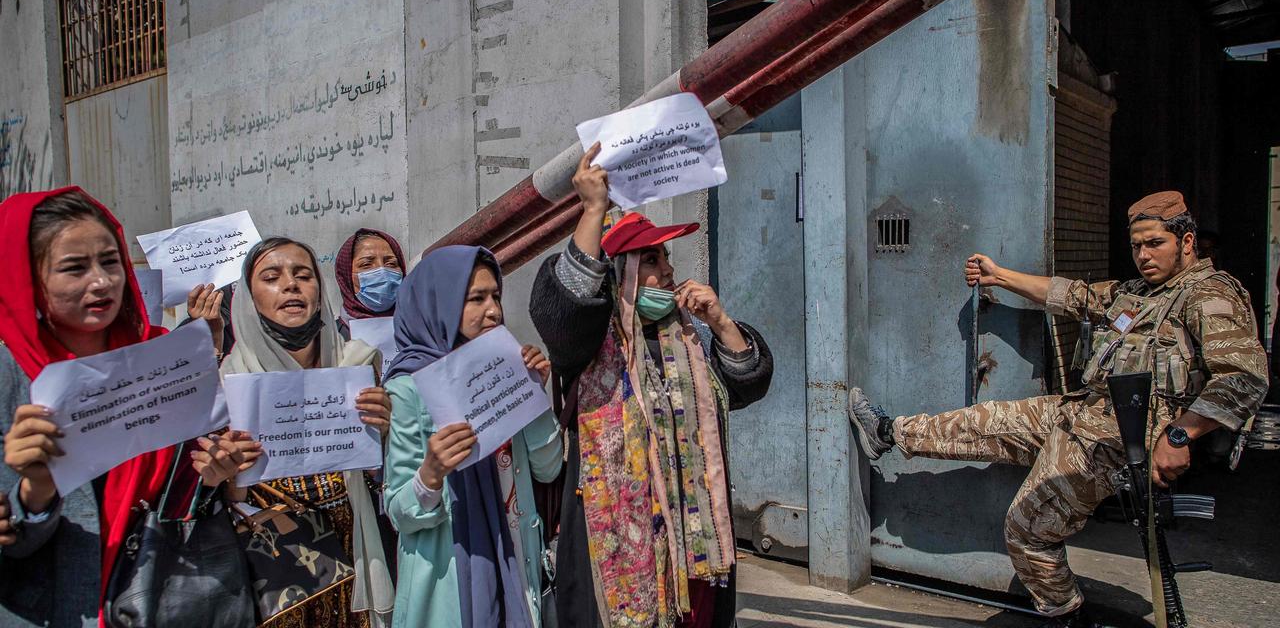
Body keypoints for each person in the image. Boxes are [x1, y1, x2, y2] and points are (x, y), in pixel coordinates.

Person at [846, 190, 1268, 628]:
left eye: (1154, 244)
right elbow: (1074, 296)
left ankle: (1067, 614)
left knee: (1026, 529)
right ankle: (887, 433)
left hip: (1116, 442)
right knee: (983, 422)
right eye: (1137, 245)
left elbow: (1244, 379)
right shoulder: (1138, 293)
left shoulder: (1209, 295)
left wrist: (1181, 435)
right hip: (1082, 413)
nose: (1143, 255)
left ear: (1186, 242)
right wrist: (998, 276)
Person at [529, 144, 774, 628]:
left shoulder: (686, 338)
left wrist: (722, 323)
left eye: (666, 258)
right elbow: (563, 311)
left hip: (694, 553)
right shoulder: (591, 347)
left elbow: (746, 386)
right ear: (619, 276)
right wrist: (594, 210)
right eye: (651, 260)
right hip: (615, 548)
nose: (667, 271)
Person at [0, 187, 203, 626]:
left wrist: (219, 469)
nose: (102, 281)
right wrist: (34, 491)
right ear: (28, 278)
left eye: (110, 262)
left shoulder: (161, 354)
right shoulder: (8, 375)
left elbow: (188, 488)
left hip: (159, 600)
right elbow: (14, 540)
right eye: (74, 268)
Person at [200, 237, 396, 627]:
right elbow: (224, 504)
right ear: (248, 299)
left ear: (320, 292)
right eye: (272, 277)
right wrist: (226, 476)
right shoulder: (225, 388)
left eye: (303, 275)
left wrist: (388, 435)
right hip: (277, 572)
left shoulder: (357, 366)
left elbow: (385, 480)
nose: (291, 285)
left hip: (355, 550)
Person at [382, 245, 561, 628]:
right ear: (439, 303)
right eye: (476, 298)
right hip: (452, 581)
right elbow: (398, 511)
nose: (494, 310)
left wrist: (535, 397)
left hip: (516, 561)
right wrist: (429, 475)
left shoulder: (505, 370)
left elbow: (547, 470)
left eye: (495, 296)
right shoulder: (410, 388)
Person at [334, 229, 406, 340]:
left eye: (391, 263)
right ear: (346, 276)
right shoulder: (329, 340)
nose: (382, 271)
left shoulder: (422, 333)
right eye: (366, 264)